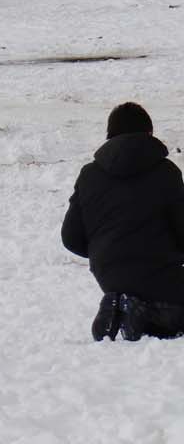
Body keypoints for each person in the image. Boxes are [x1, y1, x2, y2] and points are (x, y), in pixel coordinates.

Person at [64, 103, 184, 341]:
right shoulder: (165, 172)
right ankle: (142, 313)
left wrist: (106, 250)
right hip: (160, 271)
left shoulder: (89, 175)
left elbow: (70, 237)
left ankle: (122, 304)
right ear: (149, 133)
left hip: (108, 274)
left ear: (109, 135)